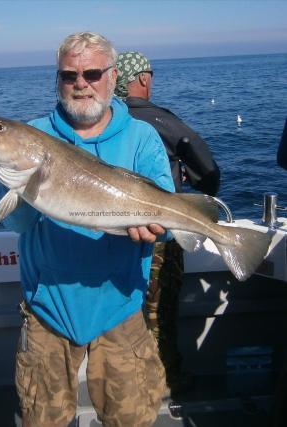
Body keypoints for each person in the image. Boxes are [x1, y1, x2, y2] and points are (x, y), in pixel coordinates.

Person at [2, 33, 175, 427]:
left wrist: (156, 229)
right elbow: (17, 223)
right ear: (57, 79)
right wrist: (26, 182)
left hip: (121, 305)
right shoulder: (31, 135)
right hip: (48, 309)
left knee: (130, 420)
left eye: (92, 73)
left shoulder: (141, 137)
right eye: (69, 75)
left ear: (113, 77)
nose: (81, 83)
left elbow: (164, 218)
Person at [115, 51, 221, 402]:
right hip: (160, 231)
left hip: (113, 231)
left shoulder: (107, 121)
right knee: (160, 311)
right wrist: (206, 186)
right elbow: (203, 163)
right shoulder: (155, 119)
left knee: (123, 311)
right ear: (143, 79)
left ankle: (125, 383)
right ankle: (165, 381)